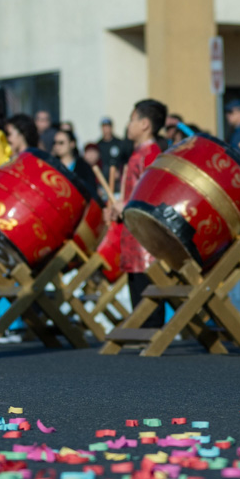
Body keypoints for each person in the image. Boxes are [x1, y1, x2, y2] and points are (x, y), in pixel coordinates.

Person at [104, 99, 167, 319]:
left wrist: (126, 204)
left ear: (145, 124)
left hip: (145, 238)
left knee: (147, 289)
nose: (128, 126)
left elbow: (149, 194)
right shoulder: (136, 153)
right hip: (132, 232)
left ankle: (151, 335)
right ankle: (143, 334)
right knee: (135, 287)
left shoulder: (151, 153)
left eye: (132, 120)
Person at [52, 126, 100, 199]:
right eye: (55, 143)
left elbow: (91, 192)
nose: (57, 146)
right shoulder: (51, 166)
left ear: (72, 144)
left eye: (61, 143)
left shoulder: (84, 167)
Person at [95, 116, 133, 188]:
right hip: (103, 181)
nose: (106, 129)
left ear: (111, 128)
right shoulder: (98, 145)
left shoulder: (119, 143)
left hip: (117, 181)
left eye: (108, 127)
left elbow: (126, 160)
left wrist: (120, 172)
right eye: (104, 127)